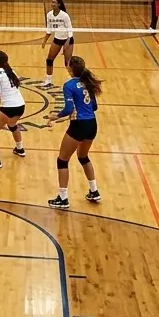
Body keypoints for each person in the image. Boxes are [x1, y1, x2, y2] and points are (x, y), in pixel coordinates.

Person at [45, 56, 101, 208]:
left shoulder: (69, 85)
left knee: (62, 160)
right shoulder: (88, 82)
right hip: (92, 124)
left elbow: (69, 108)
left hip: (79, 125)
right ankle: (94, 191)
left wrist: (56, 116)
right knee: (83, 157)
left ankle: (63, 198)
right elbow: (94, 107)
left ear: (69, 68)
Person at [41, 0, 74, 88]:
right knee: (49, 60)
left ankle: (74, 80)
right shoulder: (49, 15)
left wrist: (67, 42)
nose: (52, 4)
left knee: (67, 63)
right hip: (57, 39)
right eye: (52, 2)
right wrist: (44, 41)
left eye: (54, 2)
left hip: (68, 39)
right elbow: (49, 29)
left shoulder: (64, 15)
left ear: (59, 4)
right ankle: (48, 81)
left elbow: (70, 29)